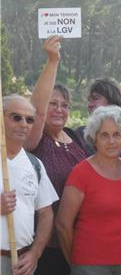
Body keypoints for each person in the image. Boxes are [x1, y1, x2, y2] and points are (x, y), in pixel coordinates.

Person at [24, 36, 88, 275]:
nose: (59, 109)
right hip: (47, 245)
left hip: (81, 240)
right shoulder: (36, 141)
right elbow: (36, 114)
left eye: (64, 104)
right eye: (53, 103)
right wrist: (53, 61)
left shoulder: (76, 138)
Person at [56, 105, 121, 275]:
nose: (112, 141)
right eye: (104, 135)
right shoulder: (81, 172)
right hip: (90, 265)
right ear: (94, 138)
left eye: (117, 134)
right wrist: (75, 263)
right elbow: (62, 224)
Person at [75, 77, 121, 240]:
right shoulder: (80, 134)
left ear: (112, 102)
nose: (89, 104)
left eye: (95, 98)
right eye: (88, 100)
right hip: (89, 223)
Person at [1, 95, 59, 275]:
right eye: (16, 117)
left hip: (23, 262)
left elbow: (46, 214)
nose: (24, 124)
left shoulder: (35, 165)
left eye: (29, 119)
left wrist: (35, 253)